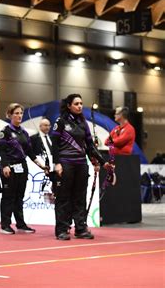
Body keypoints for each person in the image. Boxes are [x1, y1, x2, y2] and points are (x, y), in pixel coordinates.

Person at [51, 94, 113, 241]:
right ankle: (62, 229)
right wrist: (57, 163)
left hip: (81, 165)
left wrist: (102, 162)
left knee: (80, 198)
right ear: (69, 106)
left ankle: (80, 228)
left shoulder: (83, 123)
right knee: (63, 198)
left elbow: (90, 146)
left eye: (81, 103)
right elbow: (54, 144)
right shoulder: (61, 122)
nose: (79, 106)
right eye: (76, 103)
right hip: (65, 164)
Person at [0, 104, 48, 235]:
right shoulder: (5, 132)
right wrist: (5, 165)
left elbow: (30, 153)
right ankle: (5, 225)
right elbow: (2, 151)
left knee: (19, 197)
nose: (19, 116)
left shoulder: (24, 132)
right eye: (16, 113)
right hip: (9, 167)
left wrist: (41, 166)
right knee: (8, 197)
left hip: (22, 167)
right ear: (9, 115)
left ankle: (21, 224)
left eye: (21, 113)